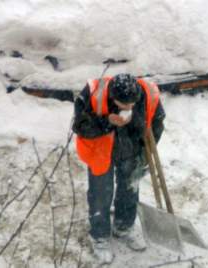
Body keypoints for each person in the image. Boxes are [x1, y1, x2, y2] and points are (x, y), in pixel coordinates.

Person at [73, 73, 165, 263]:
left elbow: (157, 122)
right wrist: (108, 121)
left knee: (130, 189)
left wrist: (144, 154)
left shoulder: (147, 93)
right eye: (124, 105)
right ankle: (100, 237)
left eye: (132, 104)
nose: (129, 108)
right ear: (112, 97)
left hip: (130, 150)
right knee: (100, 194)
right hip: (100, 152)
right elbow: (80, 126)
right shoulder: (93, 93)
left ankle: (123, 227)